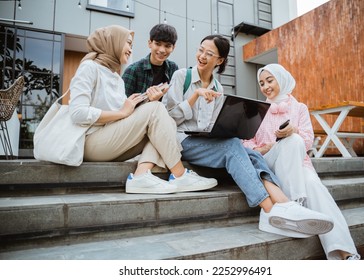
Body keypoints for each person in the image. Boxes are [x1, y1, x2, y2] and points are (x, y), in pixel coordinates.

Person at [162, 34, 334, 238]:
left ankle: (286, 204)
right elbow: (167, 118)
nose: (202, 56)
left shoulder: (218, 88)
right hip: (184, 142)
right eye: (201, 50)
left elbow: (212, 123)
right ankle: (270, 210)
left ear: (220, 60)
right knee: (233, 147)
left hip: (207, 141)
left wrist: (228, 126)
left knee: (250, 153)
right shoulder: (182, 77)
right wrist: (194, 96)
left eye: (209, 53)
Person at [68, 25, 217, 195]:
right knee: (156, 109)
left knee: (166, 121)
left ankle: (140, 176)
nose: (131, 49)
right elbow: (77, 114)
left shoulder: (115, 76)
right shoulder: (89, 67)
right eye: (128, 44)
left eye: (131, 45)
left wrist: (142, 101)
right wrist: (125, 111)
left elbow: (126, 114)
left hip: (110, 139)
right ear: (113, 43)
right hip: (90, 141)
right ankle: (180, 174)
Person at [242, 63, 361, 260]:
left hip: (299, 163)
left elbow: (306, 141)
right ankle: (296, 206)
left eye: (270, 80)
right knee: (293, 141)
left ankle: (347, 254)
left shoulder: (300, 108)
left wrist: (293, 131)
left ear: (282, 79)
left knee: (313, 183)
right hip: (268, 164)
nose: (265, 87)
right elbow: (245, 142)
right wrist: (263, 148)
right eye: (262, 83)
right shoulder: (256, 110)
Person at [122, 23, 178, 102]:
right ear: (150, 43)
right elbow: (123, 105)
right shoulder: (133, 70)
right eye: (158, 44)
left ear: (173, 48)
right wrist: (149, 101)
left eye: (167, 46)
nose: (162, 50)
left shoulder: (174, 68)